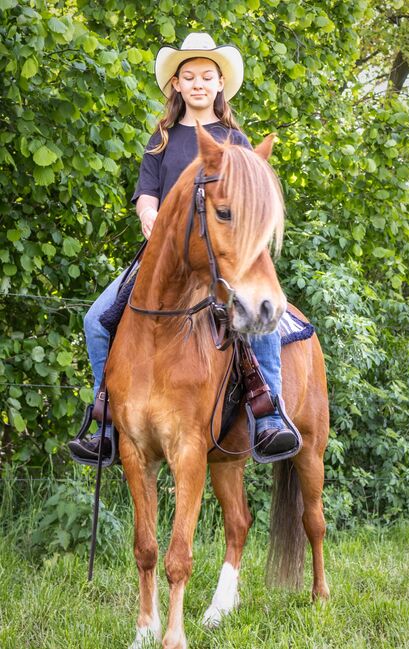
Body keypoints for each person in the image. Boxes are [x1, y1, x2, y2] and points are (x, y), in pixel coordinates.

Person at [69, 32, 295, 462]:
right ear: (176, 85)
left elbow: (251, 203)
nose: (197, 84)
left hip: (225, 257)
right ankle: (108, 422)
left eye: (206, 76)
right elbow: (147, 193)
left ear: (219, 84)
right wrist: (147, 216)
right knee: (97, 318)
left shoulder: (235, 141)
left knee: (261, 321)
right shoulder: (162, 138)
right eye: (188, 76)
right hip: (166, 259)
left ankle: (269, 418)